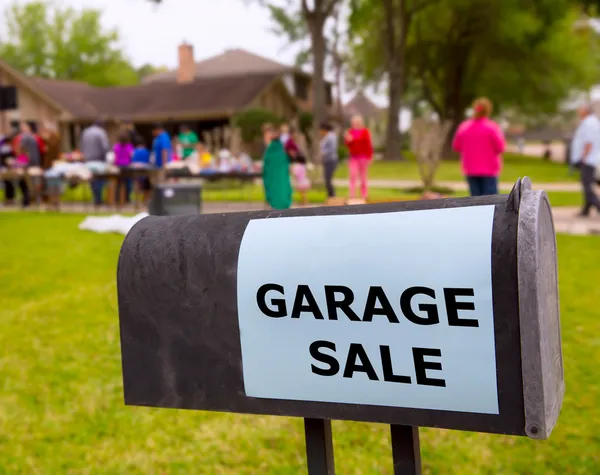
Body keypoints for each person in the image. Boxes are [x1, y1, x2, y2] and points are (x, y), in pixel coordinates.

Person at [452, 97, 505, 196]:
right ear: (488, 110)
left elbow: (456, 146)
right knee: (491, 200)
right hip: (489, 169)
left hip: (470, 168)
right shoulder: (491, 128)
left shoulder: (464, 127)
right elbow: (500, 147)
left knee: (475, 199)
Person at [570, 104, 600, 217]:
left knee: (587, 185)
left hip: (588, 159)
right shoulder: (589, 121)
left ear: (585, 111)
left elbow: (589, 141)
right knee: (586, 184)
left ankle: (597, 205)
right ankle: (586, 210)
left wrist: (584, 156)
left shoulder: (590, 123)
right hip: (588, 158)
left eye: (579, 110)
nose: (578, 112)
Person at [80, 119, 110, 206]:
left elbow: (82, 146)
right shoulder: (101, 132)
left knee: (92, 180)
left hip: (88, 161)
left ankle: (96, 198)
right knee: (99, 180)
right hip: (99, 161)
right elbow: (105, 147)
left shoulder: (86, 132)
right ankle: (98, 199)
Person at [262, 124, 292, 210]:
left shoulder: (269, 153)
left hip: (272, 178)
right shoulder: (283, 153)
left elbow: (266, 168)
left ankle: (273, 203)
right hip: (282, 178)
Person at [345, 115, 373, 200]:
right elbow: (348, 145)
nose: (355, 124)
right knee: (352, 175)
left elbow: (368, 145)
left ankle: (364, 195)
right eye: (354, 122)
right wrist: (348, 140)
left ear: (361, 122)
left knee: (363, 177)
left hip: (363, 157)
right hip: (353, 157)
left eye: (357, 122)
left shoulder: (365, 132)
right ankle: (352, 195)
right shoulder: (350, 132)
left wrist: (370, 157)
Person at [113, 132, 134, 205]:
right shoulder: (129, 146)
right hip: (127, 167)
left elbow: (115, 157)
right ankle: (126, 199)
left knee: (118, 184)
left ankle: (117, 199)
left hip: (118, 167)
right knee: (128, 183)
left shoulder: (116, 146)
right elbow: (131, 156)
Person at [320, 122, 338, 198]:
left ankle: (332, 196)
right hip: (327, 160)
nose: (320, 132)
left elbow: (332, 148)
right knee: (327, 179)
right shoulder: (327, 136)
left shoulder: (331, 137)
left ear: (324, 129)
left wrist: (323, 153)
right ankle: (330, 195)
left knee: (328, 179)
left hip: (330, 160)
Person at [131, 138, 152, 205]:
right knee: (147, 187)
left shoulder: (134, 151)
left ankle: (137, 201)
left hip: (136, 171)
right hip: (145, 171)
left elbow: (132, 160)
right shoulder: (146, 151)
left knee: (137, 186)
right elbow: (149, 161)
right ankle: (144, 200)